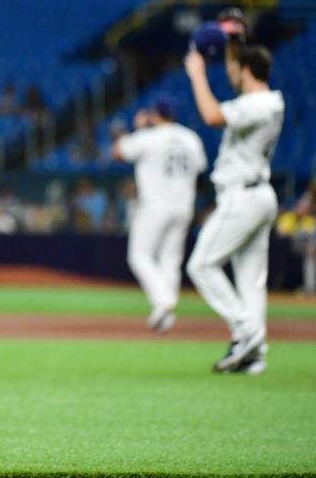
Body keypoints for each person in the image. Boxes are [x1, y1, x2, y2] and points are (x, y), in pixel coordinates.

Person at [183, 40, 284, 375]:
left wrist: (198, 73)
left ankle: (246, 331)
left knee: (201, 265)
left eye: (237, 69)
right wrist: (230, 48)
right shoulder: (268, 102)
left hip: (243, 197)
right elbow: (237, 78)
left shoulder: (259, 103)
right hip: (258, 194)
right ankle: (254, 355)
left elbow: (212, 115)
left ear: (246, 71)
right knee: (250, 279)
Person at [111, 97, 207, 332]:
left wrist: (138, 128)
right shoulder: (190, 138)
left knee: (139, 255)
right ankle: (166, 318)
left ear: (154, 115)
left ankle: (163, 300)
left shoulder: (149, 137)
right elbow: (202, 168)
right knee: (170, 259)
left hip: (155, 204)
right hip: (184, 205)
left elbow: (118, 152)